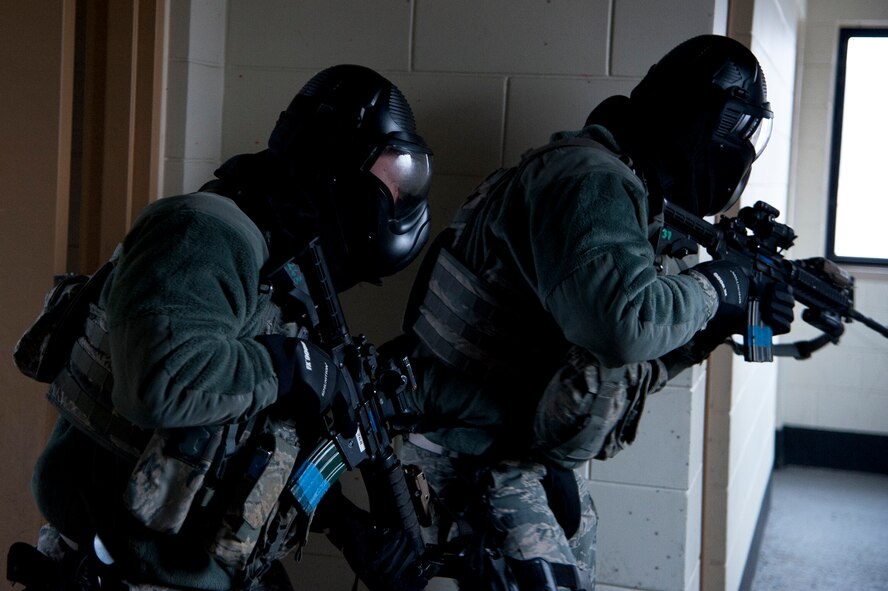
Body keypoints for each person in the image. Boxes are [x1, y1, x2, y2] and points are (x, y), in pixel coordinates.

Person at [383, 35, 795, 590]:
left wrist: (715, 326)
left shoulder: (622, 186)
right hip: (464, 443)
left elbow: (620, 358)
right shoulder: (589, 180)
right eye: (730, 130)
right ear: (694, 121)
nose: (737, 150)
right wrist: (717, 287)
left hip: (510, 440)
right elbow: (622, 327)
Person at [15, 64, 433, 590]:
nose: (401, 201)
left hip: (195, 572)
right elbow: (161, 383)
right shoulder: (204, 232)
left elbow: (254, 444)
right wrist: (288, 367)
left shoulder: (286, 269)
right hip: (118, 573)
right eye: (392, 181)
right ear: (337, 168)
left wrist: (348, 528)